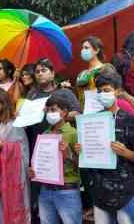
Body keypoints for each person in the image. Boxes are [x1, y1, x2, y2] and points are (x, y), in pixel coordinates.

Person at [74, 71, 134, 224]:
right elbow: (86, 159)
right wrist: (81, 152)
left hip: (124, 191)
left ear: (117, 91)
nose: (102, 94)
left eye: (107, 90)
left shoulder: (128, 119)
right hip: (99, 191)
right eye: (99, 91)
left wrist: (125, 152)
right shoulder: (92, 121)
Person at [29, 96, 82, 224]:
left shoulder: (73, 133)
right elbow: (41, 162)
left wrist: (68, 153)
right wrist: (34, 171)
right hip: (45, 190)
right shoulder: (45, 135)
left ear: (64, 112)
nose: (49, 114)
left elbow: (83, 165)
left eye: (53, 110)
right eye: (47, 111)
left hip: (67, 190)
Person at [0, 88, 31, 224]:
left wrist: (1, 145)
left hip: (8, 180)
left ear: (3, 104)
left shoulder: (14, 125)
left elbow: (22, 154)